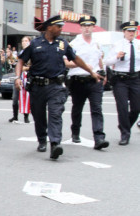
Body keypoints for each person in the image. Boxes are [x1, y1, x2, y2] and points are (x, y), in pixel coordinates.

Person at [15, 15, 102, 160]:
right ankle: (42, 139)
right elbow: (21, 60)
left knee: (55, 114)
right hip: (37, 86)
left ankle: (55, 144)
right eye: (59, 26)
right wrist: (17, 77)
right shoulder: (35, 43)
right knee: (39, 115)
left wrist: (91, 71)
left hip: (56, 86)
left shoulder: (63, 43)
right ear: (49, 27)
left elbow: (76, 59)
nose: (61, 29)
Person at [65, 16, 109, 150]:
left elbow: (100, 59)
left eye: (90, 26)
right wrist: (83, 66)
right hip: (78, 80)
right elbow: (66, 62)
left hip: (94, 80)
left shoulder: (96, 43)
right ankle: (75, 131)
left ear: (93, 27)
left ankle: (99, 138)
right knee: (77, 108)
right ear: (81, 27)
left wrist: (103, 73)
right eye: (84, 26)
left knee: (97, 109)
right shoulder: (74, 44)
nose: (87, 28)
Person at [103, 20, 140, 146]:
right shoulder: (117, 45)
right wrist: (116, 57)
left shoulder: (139, 44)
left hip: (136, 79)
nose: (131, 33)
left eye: (133, 31)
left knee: (136, 108)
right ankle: (125, 133)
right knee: (122, 107)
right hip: (120, 79)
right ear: (124, 32)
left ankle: (125, 125)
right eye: (129, 31)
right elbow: (107, 62)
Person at [10, 36, 32, 123]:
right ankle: (15, 116)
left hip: (27, 76)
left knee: (26, 97)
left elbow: (34, 65)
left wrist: (25, 68)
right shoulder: (20, 53)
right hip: (19, 76)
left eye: (26, 41)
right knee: (15, 97)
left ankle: (26, 116)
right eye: (23, 41)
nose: (24, 42)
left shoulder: (32, 52)